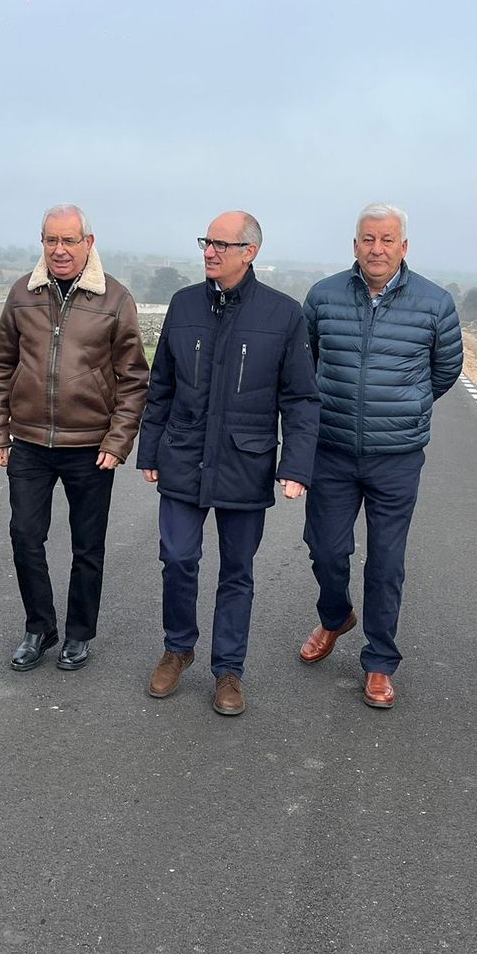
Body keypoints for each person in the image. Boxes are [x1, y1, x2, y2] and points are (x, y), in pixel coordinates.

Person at [136, 211, 319, 717]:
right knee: (177, 557)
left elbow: (301, 398)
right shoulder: (184, 304)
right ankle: (178, 648)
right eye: (206, 242)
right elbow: (162, 386)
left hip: (246, 461)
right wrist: (149, 449)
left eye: (221, 243)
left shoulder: (283, 316)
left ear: (250, 251)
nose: (209, 251)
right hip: (183, 455)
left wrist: (296, 466)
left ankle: (228, 670)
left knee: (237, 571)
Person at [297, 203, 463, 709]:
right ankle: (334, 616)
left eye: (387, 240)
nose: (377, 249)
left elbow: (445, 370)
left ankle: (380, 662)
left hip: (397, 455)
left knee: (387, 562)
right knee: (326, 549)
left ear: (404, 247)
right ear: (354, 245)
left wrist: (406, 407)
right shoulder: (323, 296)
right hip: (332, 448)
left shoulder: (435, 303)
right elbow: (306, 360)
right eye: (368, 239)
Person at [0, 204, 150, 672]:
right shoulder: (22, 294)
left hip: (90, 448)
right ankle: (39, 627)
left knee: (87, 546)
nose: (59, 250)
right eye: (51, 241)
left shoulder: (115, 299)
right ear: (42, 243)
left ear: (88, 243)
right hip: (30, 443)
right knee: (24, 536)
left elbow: (134, 379)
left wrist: (117, 443)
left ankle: (79, 633)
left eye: (69, 241)